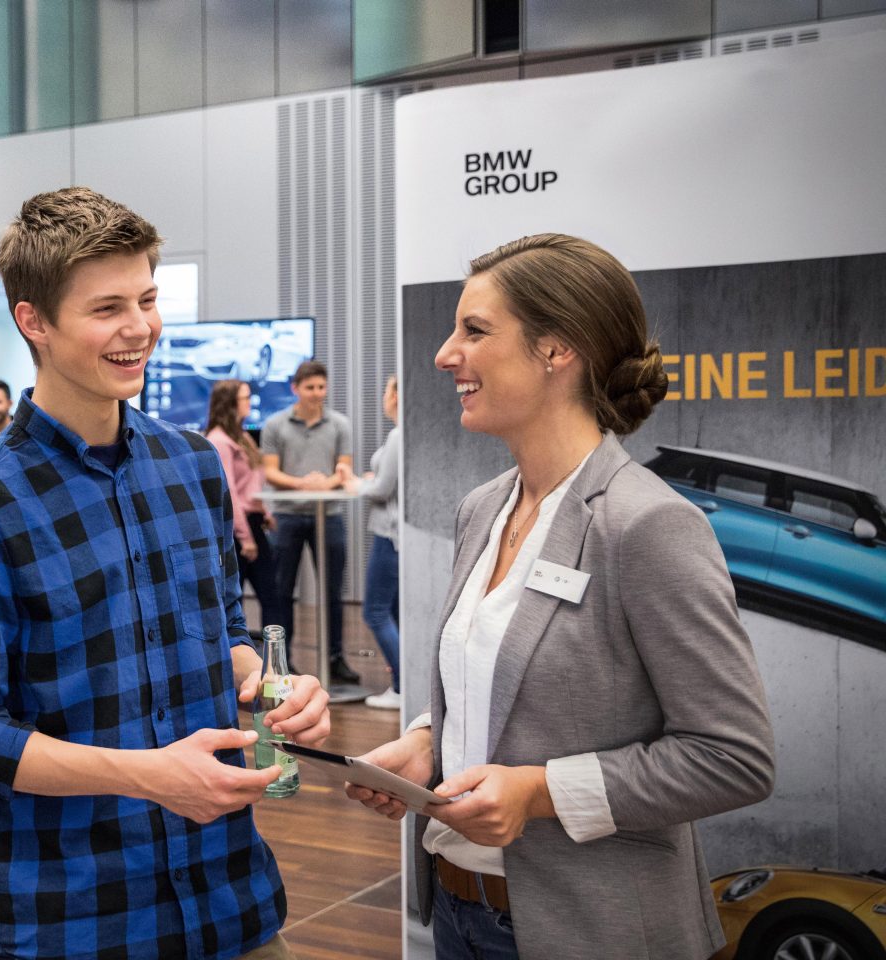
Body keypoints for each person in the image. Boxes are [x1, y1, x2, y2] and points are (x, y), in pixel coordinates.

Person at [0, 187, 332, 960]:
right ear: (33, 321)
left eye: (146, 298)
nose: (140, 327)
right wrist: (146, 775)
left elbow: (219, 633)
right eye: (107, 308)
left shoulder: (189, 464)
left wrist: (272, 685)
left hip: (231, 898)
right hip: (80, 916)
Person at [344, 234, 775, 960]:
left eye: (474, 331)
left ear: (557, 350)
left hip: (593, 932)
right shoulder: (481, 508)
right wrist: (427, 745)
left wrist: (537, 792)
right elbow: (498, 684)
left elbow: (734, 756)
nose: (445, 354)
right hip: (456, 914)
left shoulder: (648, 524)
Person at [259, 359, 361, 687]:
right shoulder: (275, 424)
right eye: (310, 387)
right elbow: (270, 471)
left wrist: (323, 484)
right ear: (295, 389)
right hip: (287, 516)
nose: (317, 393)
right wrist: (303, 484)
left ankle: (334, 657)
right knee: (280, 592)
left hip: (327, 516)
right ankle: (280, 660)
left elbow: (343, 469)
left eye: (321, 386)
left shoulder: (339, 424)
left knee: (332, 590)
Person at [203, 378, 279, 616]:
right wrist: (245, 538)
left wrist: (264, 512)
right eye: (245, 398)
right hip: (237, 529)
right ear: (230, 403)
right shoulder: (219, 441)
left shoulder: (242, 437)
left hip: (252, 521)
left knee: (271, 597)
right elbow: (229, 493)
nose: (250, 402)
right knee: (234, 600)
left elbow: (250, 484)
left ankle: (275, 653)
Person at [358, 376, 403, 710]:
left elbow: (382, 489)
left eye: (387, 389)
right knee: (394, 612)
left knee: (375, 611)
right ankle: (405, 682)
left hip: (390, 535)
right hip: (400, 534)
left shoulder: (398, 434)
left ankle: (403, 687)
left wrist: (353, 485)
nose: (384, 396)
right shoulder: (408, 433)